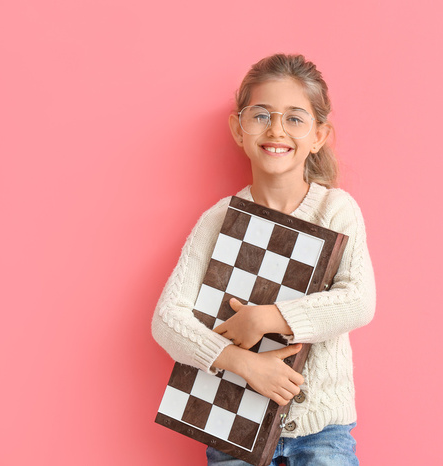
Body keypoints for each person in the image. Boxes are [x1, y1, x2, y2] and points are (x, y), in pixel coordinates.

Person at [152, 53, 376, 466]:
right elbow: (167, 320)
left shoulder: (336, 209)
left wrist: (266, 318)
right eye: (261, 115)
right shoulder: (219, 219)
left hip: (321, 432)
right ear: (239, 128)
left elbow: (358, 301)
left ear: (319, 135)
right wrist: (242, 363)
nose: (276, 129)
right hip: (233, 429)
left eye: (294, 118)